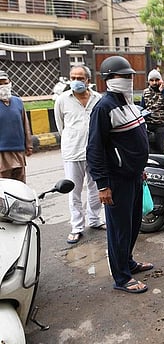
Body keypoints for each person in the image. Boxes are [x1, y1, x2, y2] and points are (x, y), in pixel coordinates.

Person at [87, 56, 153, 294]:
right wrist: (103, 185)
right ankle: (122, 278)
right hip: (117, 180)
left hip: (134, 176)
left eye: (129, 76)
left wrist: (140, 169)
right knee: (119, 230)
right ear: (108, 79)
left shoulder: (128, 102)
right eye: (121, 76)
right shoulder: (103, 108)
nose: (127, 80)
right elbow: (94, 149)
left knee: (134, 224)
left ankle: (129, 263)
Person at [54, 65, 104, 244]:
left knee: (96, 188)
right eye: (72, 77)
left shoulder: (98, 99)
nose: (75, 81)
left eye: (79, 78)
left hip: (95, 152)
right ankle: (77, 226)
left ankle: (95, 220)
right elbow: (60, 126)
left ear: (88, 80)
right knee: (73, 190)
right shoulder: (62, 100)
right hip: (72, 152)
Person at [0, 70, 32, 182]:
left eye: (5, 83)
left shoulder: (18, 102)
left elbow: (25, 124)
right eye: (0, 83)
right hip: (2, 153)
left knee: (20, 184)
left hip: (18, 150)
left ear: (10, 83)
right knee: (4, 185)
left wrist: (29, 145)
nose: (3, 86)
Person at [141, 69, 164, 154]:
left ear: (161, 80)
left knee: (162, 149)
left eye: (157, 80)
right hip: (149, 124)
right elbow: (142, 108)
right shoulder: (145, 92)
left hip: (163, 124)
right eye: (152, 80)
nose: (154, 83)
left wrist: (163, 91)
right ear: (148, 81)